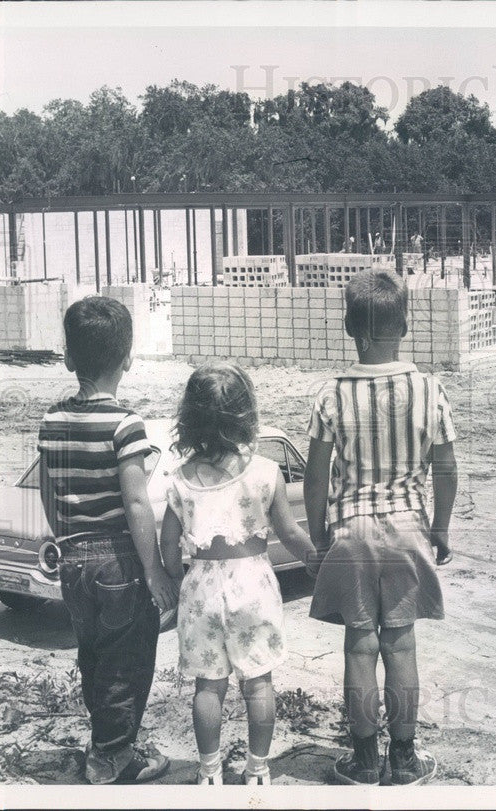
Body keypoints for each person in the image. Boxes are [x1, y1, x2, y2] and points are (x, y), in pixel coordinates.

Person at [304, 269, 457, 786]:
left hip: (350, 530)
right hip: (409, 529)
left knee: (359, 646)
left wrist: (319, 533)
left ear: (352, 329)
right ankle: (406, 759)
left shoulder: (331, 394)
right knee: (402, 646)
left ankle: (365, 760)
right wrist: (441, 528)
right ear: (405, 325)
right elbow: (446, 468)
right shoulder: (429, 389)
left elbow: (315, 474)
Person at [38, 297, 177, 784]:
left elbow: (49, 491)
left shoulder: (51, 422)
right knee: (128, 659)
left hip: (73, 558)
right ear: (128, 359)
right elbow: (137, 504)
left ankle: (104, 744)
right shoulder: (125, 425)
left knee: (92, 655)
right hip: (119, 560)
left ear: (69, 358)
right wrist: (155, 569)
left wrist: (66, 540)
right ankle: (114, 759)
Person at [158, 362, 317, 786]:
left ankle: (210, 772)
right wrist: (314, 559)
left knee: (208, 687)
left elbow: (169, 549)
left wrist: (173, 577)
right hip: (253, 584)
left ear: (189, 418)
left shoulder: (179, 480)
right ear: (246, 415)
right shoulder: (265, 472)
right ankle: (257, 769)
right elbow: (288, 531)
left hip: (202, 588)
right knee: (259, 682)